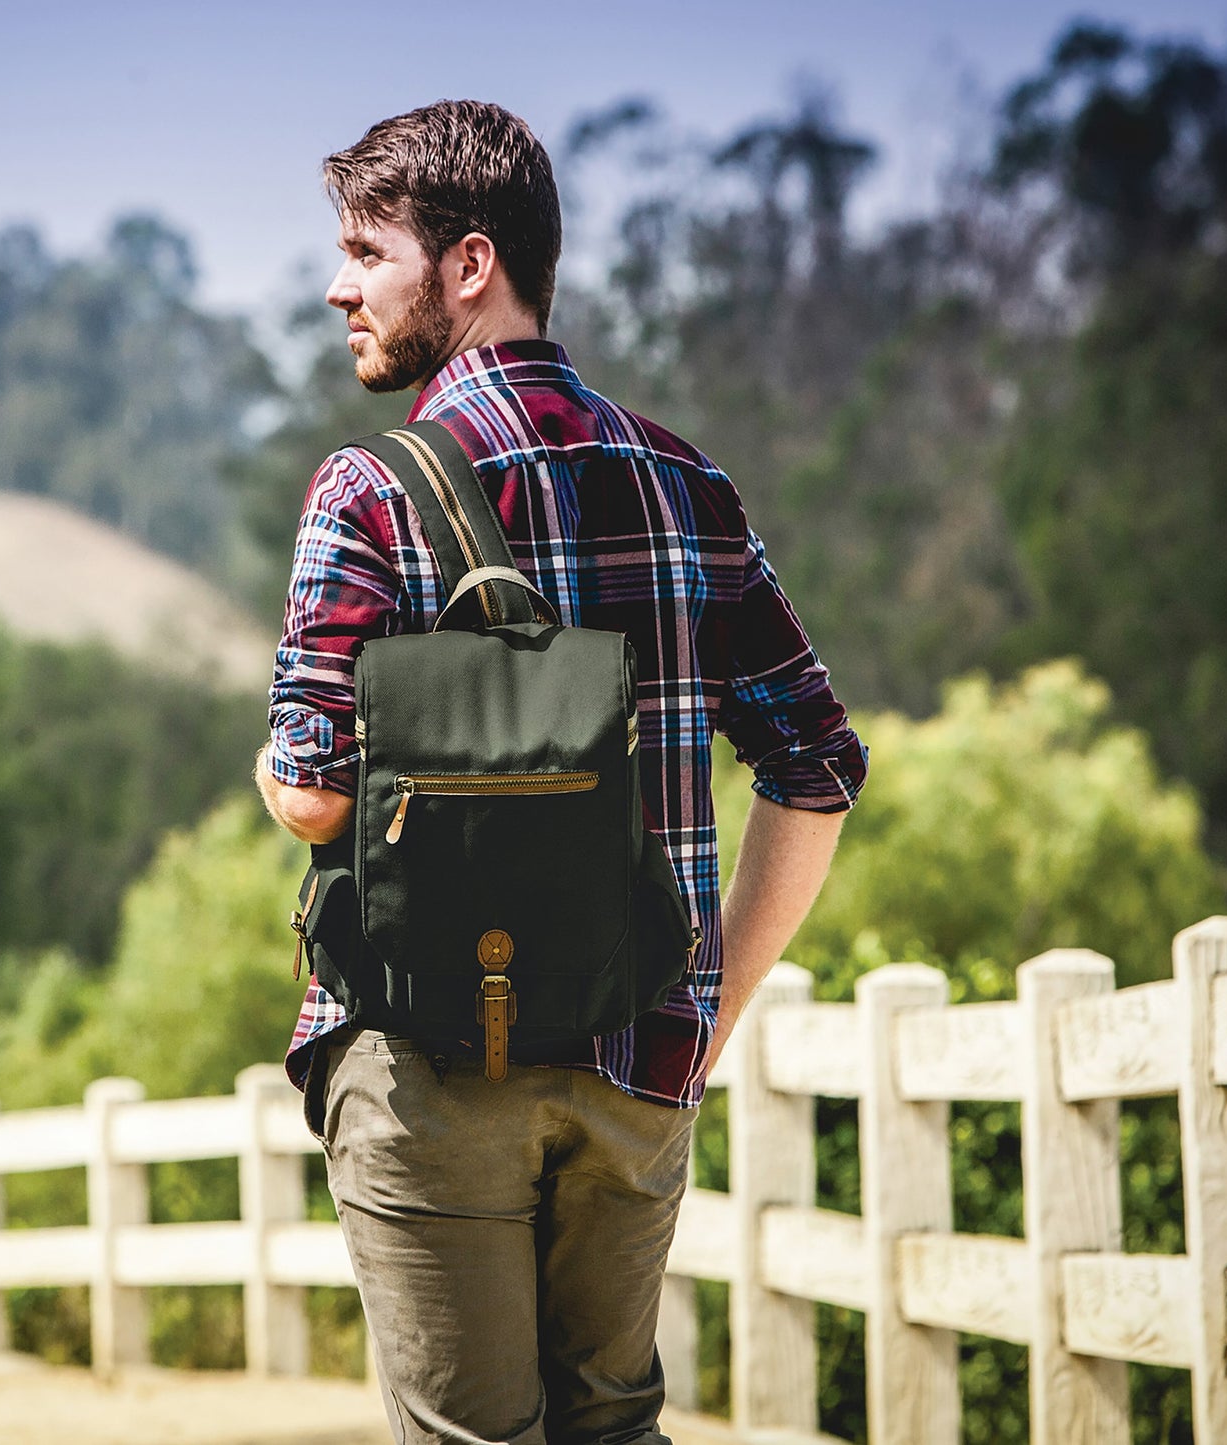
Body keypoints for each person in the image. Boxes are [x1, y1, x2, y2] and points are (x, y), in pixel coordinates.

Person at [256, 99, 867, 1445]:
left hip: (426, 1054)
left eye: (366, 250)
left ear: (467, 264)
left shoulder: (369, 487)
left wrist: (273, 762)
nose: (336, 283)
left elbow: (311, 792)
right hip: (636, 1053)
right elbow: (816, 767)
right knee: (612, 1428)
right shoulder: (684, 483)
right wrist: (708, 1005)